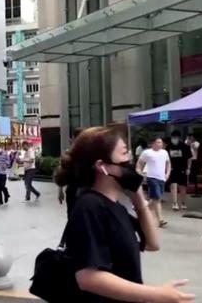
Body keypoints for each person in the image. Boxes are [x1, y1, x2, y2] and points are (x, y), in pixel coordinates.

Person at [56, 127, 194, 303]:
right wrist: (157, 294)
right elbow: (88, 278)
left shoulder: (115, 207)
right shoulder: (89, 207)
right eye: (124, 153)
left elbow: (152, 244)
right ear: (102, 167)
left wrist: (139, 199)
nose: (130, 160)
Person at [137, 137, 171, 228]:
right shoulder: (147, 153)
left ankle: (143, 213)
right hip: (151, 177)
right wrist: (139, 172)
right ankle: (160, 220)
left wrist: (167, 173)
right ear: (153, 143)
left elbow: (168, 163)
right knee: (157, 198)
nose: (160, 144)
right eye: (158, 142)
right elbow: (140, 163)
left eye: (161, 142)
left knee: (154, 199)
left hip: (162, 178)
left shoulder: (164, 152)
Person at [166, 131, 192, 211]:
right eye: (173, 138)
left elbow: (189, 158)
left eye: (176, 138)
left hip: (182, 169)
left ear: (179, 138)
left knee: (182, 186)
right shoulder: (168, 147)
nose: (174, 139)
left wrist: (188, 168)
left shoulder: (185, 147)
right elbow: (166, 159)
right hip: (172, 168)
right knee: (173, 185)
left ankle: (183, 202)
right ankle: (174, 203)